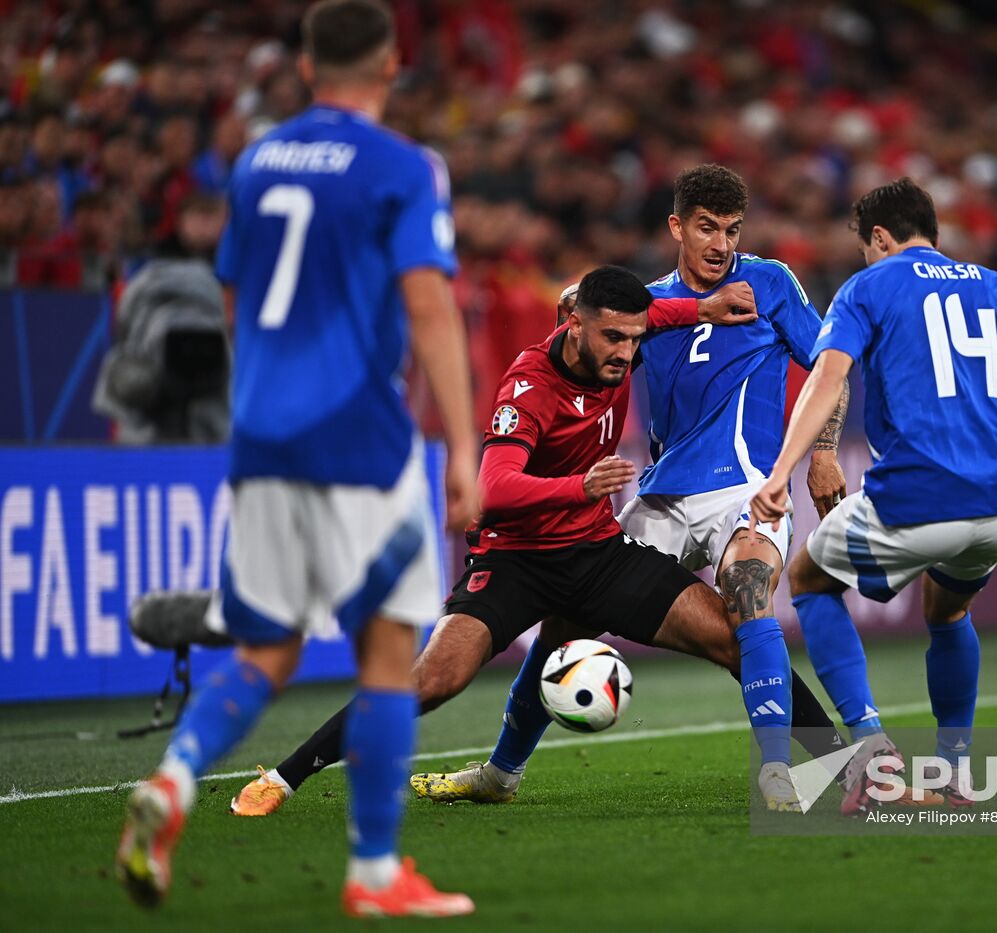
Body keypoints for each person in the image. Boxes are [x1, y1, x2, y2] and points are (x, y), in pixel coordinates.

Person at [229, 266, 846, 819]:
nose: (627, 354)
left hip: (597, 555)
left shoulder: (619, 331)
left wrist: (704, 309)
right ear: (575, 327)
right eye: (614, 340)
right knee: (433, 681)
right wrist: (579, 485)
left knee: (740, 637)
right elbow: (494, 488)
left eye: (636, 340)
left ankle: (839, 764)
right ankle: (284, 778)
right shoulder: (529, 385)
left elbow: (656, 313)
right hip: (514, 561)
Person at [115, 0, 480, 918]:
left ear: (309, 67)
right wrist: (462, 446)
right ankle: (373, 871)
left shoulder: (257, 160)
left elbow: (234, 298)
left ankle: (174, 778)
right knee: (390, 653)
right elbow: (430, 305)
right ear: (391, 65)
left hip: (263, 433)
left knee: (267, 647)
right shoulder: (404, 166)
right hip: (360, 435)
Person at [412, 164, 849, 810]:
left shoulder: (771, 283)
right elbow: (585, 346)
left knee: (748, 589)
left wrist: (825, 450)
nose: (721, 244)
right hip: (662, 493)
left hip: (745, 489)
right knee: (568, 621)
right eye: (707, 228)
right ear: (677, 226)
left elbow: (829, 366)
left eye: (732, 230)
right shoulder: (647, 307)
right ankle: (501, 772)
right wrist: (573, 301)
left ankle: (782, 772)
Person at [750, 178, 997, 815]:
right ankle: (955, 770)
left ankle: (872, 755)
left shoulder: (868, 286)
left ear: (879, 237)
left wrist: (782, 471)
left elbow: (828, 375)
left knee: (810, 580)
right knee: (948, 611)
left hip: (920, 495)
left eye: (865, 247)